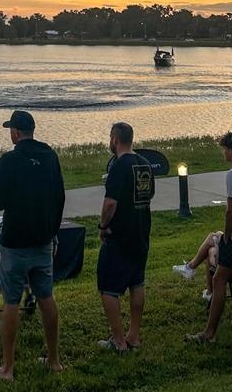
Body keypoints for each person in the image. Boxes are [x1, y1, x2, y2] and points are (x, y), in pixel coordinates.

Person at [0, 110, 65, 380]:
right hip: (42, 240)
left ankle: (7, 368)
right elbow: (59, 197)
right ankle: (53, 361)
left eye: (10, 130)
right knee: (46, 296)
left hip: (15, 242)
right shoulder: (50, 156)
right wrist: (52, 232)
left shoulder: (9, 160)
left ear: (16, 133)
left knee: (10, 300)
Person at [185, 132, 232, 344]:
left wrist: (227, 235)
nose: (223, 152)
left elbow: (231, 210)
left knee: (219, 279)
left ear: (231, 151)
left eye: (224, 149)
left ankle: (209, 333)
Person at [96, 122, 155, 352]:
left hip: (119, 235)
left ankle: (118, 340)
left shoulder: (119, 166)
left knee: (108, 287)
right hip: (141, 233)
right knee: (136, 282)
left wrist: (103, 226)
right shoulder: (145, 164)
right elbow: (148, 195)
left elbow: (110, 204)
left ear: (115, 139)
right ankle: (134, 335)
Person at [172, 230, 224, 302]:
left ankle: (189, 268)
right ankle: (189, 268)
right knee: (212, 245)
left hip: (231, 266)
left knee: (211, 240)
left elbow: (230, 236)